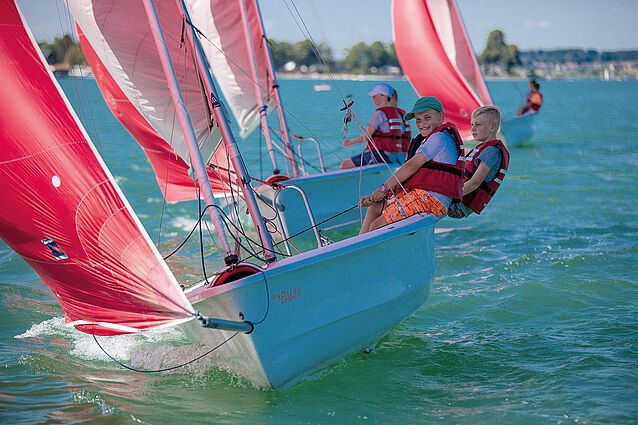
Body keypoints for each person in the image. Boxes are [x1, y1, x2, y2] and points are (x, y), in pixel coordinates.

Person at [358, 96, 464, 234]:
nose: (422, 123)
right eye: (418, 120)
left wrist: (383, 189)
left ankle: (368, 249)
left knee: (376, 227)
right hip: (421, 195)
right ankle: (358, 243)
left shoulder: (438, 138)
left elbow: (411, 166)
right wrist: (375, 196)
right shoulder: (430, 138)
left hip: (431, 199)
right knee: (376, 205)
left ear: (440, 117)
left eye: (427, 117)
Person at [448, 106, 510, 219]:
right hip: (457, 199)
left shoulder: (491, 152)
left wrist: (446, 196)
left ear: (492, 127)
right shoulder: (484, 149)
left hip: (458, 205)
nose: (473, 129)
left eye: (478, 125)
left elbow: (474, 184)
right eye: (472, 124)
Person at [341, 83, 411, 169]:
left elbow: (366, 137)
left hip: (382, 155)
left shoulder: (379, 113)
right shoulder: (401, 114)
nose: (372, 98)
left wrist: (349, 143)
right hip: (400, 157)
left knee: (345, 164)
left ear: (384, 96)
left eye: (374, 95)